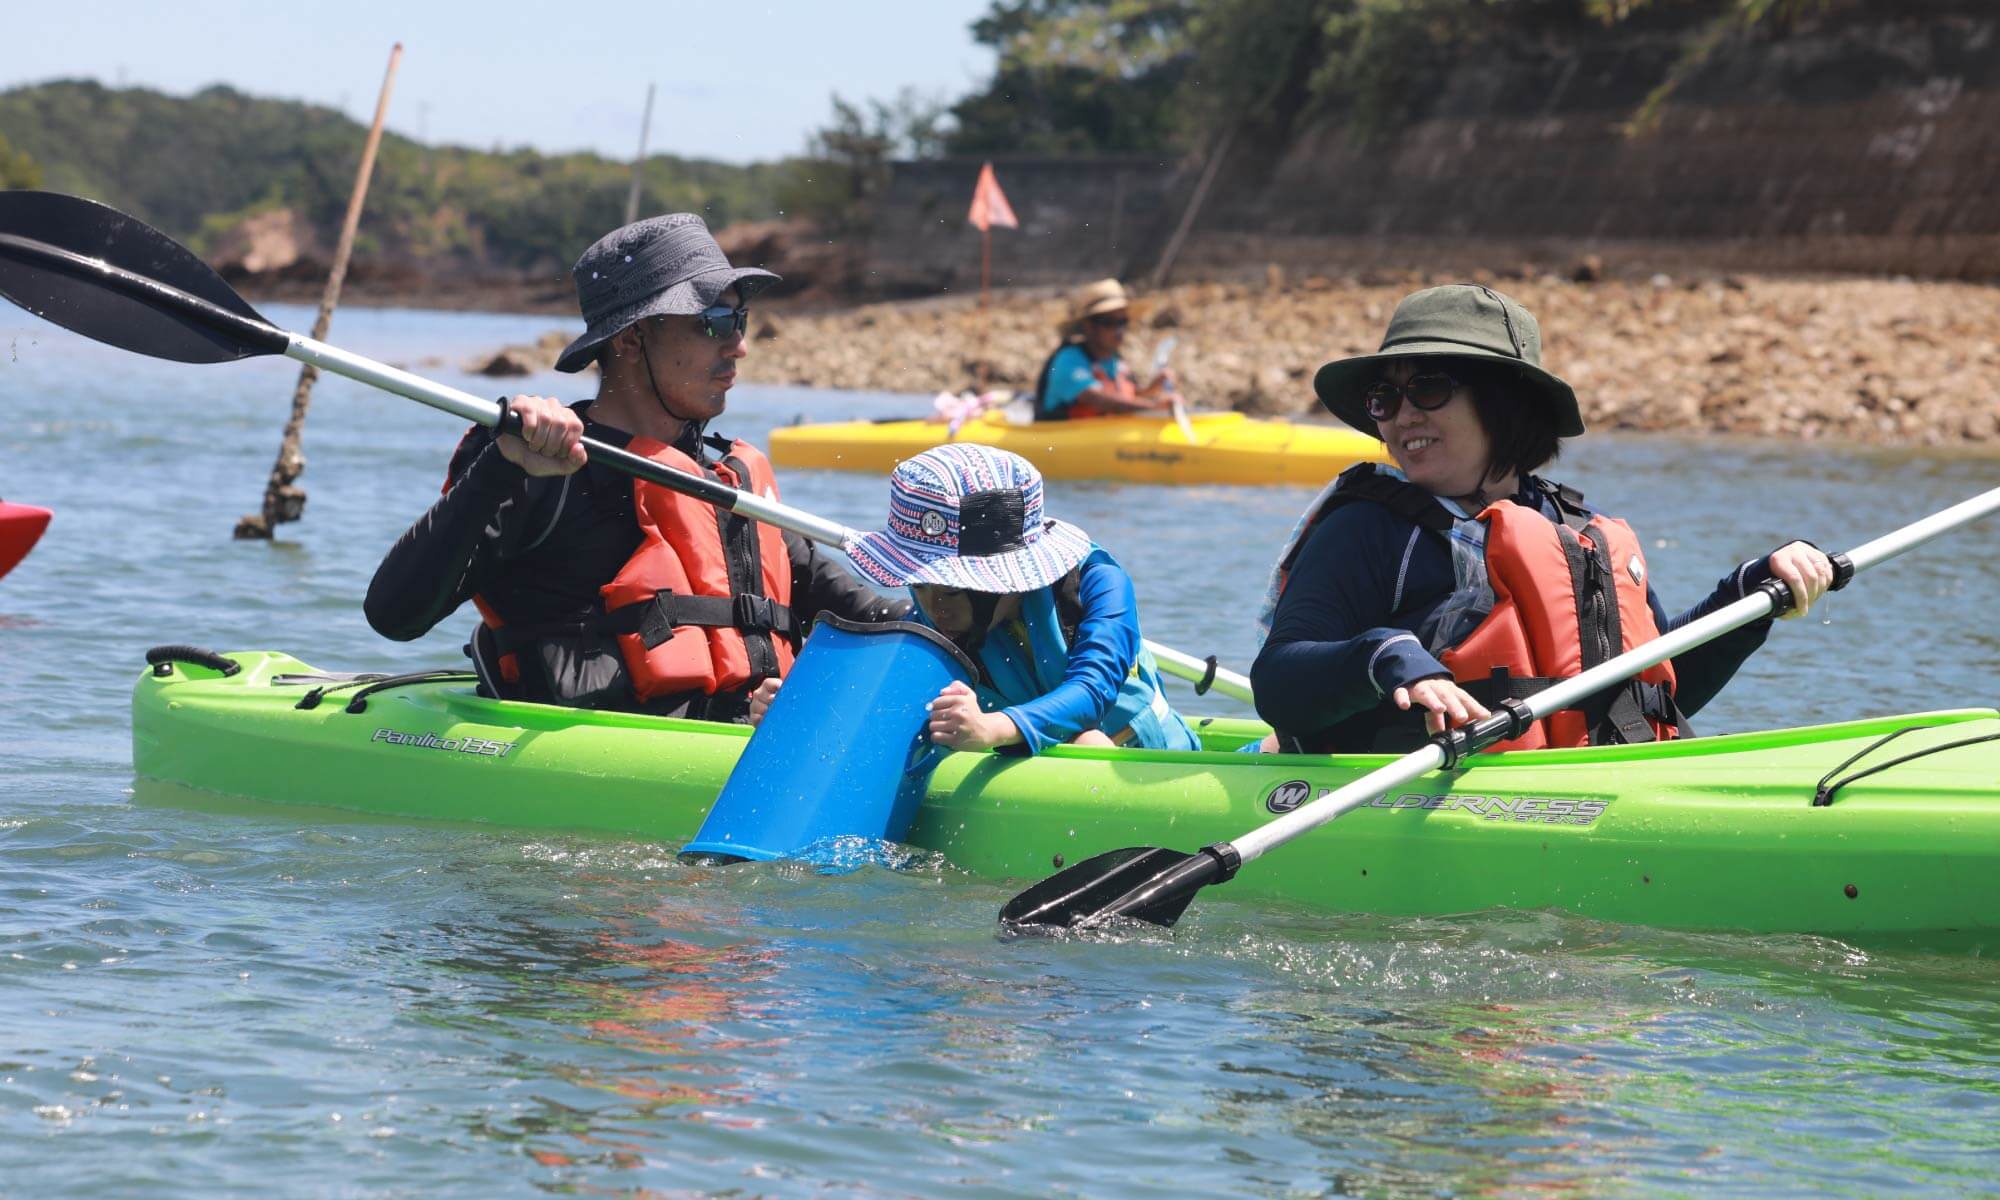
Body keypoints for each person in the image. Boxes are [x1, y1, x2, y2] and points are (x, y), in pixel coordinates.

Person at [1251, 284, 1834, 754]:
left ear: (1503, 402)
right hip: (1395, 795)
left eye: (1427, 389)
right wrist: (1384, 658)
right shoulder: (1366, 529)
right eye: (1385, 397)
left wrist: (1747, 598)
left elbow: (1650, 692)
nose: (1402, 417)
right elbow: (1279, 683)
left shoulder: (1574, 532)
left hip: (1568, 794)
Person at [365, 213, 901, 718]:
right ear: (630, 339)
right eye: (715, 322)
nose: (738, 345)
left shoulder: (726, 482)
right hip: (586, 758)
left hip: (741, 742)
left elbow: (874, 618)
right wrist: (500, 467)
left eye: (740, 319)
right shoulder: (538, 463)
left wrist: (951, 629)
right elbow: (396, 615)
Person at [753, 444, 1199, 754]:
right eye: (919, 586)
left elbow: (1090, 691)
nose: (934, 608)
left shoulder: (1098, 582)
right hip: (1022, 753)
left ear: (1007, 580)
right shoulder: (932, 616)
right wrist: (802, 710)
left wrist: (991, 728)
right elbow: (886, 700)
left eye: (950, 589)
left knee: (1090, 744)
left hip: (1139, 757)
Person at [1032, 278, 1175, 421]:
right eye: (1109, 322)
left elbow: (1126, 398)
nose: (1119, 331)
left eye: (1122, 322)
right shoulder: (1068, 360)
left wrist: (1151, 390)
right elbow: (1099, 400)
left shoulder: (1115, 361)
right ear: (1089, 326)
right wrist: (1154, 407)